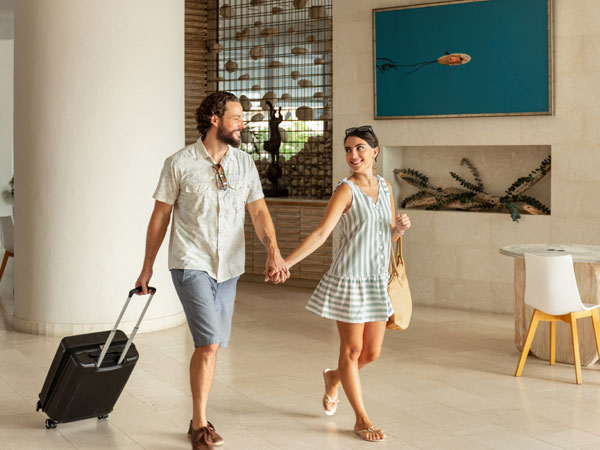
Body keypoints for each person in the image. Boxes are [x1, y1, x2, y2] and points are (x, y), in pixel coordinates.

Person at [134, 91, 289, 450]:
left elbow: (259, 212)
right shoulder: (179, 163)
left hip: (229, 266)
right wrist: (147, 268)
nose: (243, 123)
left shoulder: (244, 163)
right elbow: (160, 216)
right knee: (209, 343)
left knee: (215, 344)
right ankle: (199, 423)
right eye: (237, 117)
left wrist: (273, 252)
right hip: (191, 262)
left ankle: (198, 417)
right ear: (215, 120)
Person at [282, 125, 411, 442]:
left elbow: (387, 236)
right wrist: (286, 262)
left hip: (378, 281)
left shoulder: (386, 186)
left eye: (360, 148)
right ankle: (361, 418)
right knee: (352, 350)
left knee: (372, 353)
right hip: (351, 279)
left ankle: (333, 378)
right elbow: (321, 234)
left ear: (375, 151)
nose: (353, 155)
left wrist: (399, 229)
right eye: (348, 150)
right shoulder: (345, 190)